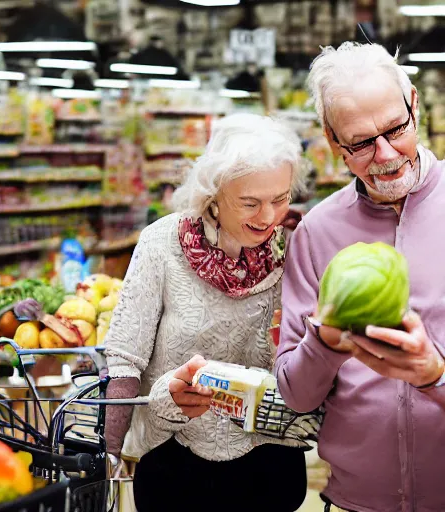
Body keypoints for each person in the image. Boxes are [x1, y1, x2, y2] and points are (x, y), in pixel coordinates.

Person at [103, 113, 308, 512]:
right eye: (250, 202)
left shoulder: (296, 247)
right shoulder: (161, 244)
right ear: (213, 192)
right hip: (173, 464)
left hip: (272, 464)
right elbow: (125, 360)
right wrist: (109, 455)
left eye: (280, 199)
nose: (268, 217)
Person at [274, 42, 445, 512]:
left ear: (414, 102)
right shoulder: (316, 233)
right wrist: (324, 344)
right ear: (332, 140)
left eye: (396, 129)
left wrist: (437, 377)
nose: (386, 155)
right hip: (354, 504)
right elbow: (295, 395)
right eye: (362, 143)